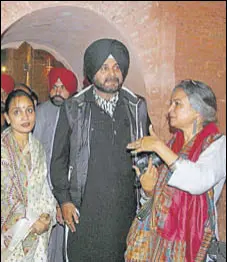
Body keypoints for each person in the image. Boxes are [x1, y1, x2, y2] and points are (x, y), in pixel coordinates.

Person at [50, 38, 151, 261]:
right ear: (92, 70)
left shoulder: (136, 107)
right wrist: (64, 200)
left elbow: (147, 155)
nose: (112, 73)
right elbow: (58, 159)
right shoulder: (73, 107)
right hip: (84, 212)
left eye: (116, 67)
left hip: (125, 213)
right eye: (104, 67)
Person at [125, 79, 226, 262]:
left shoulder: (217, 145)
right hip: (157, 245)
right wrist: (148, 191)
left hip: (193, 248)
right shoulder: (173, 145)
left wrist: (158, 147)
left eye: (177, 104)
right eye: (170, 104)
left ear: (198, 111)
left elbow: (198, 181)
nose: (169, 110)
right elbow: (154, 203)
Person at [1, 89, 56, 261]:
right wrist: (31, 223)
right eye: (17, 112)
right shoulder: (3, 149)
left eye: (29, 110)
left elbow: (44, 189)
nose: (25, 117)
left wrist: (47, 215)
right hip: (10, 236)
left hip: (37, 233)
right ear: (7, 117)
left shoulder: (38, 148)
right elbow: (7, 196)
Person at [33, 67, 78, 262]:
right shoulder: (41, 112)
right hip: (43, 188)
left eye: (63, 87)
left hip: (68, 190)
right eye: (55, 87)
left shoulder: (77, 114)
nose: (58, 91)